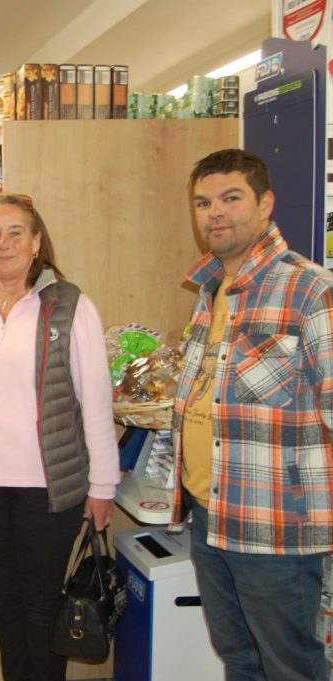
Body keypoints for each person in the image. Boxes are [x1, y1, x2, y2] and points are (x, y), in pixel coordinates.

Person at [0, 194, 119, 681]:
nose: (4, 243)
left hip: (46, 487)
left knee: (40, 602)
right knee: (5, 600)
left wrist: (103, 486)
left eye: (16, 233)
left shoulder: (69, 306)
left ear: (37, 243)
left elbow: (95, 402)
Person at [171, 148, 332, 681]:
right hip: (208, 513)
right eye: (203, 202)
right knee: (238, 658)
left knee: (290, 667)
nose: (214, 212)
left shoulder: (311, 291)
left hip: (274, 528)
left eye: (231, 198)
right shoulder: (211, 290)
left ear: (265, 204)